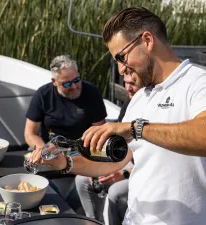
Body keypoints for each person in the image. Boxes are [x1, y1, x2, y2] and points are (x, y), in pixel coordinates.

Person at [42, 7, 206, 225]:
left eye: (121, 57)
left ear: (147, 40)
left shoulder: (197, 83)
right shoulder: (139, 98)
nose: (120, 70)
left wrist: (135, 128)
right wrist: (64, 163)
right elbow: (116, 161)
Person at [24, 55, 107, 205]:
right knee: (30, 161)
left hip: (82, 148)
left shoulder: (92, 93)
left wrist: (92, 159)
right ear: (54, 82)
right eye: (67, 83)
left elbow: (100, 132)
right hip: (49, 146)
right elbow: (30, 133)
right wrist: (44, 149)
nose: (75, 86)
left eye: (77, 80)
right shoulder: (43, 95)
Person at [75, 75, 139, 224]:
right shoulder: (129, 105)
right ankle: (93, 222)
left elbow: (153, 159)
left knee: (115, 192)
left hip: (140, 167)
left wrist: (123, 173)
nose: (128, 88)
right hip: (127, 159)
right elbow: (120, 145)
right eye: (126, 83)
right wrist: (98, 165)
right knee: (82, 179)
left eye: (133, 84)